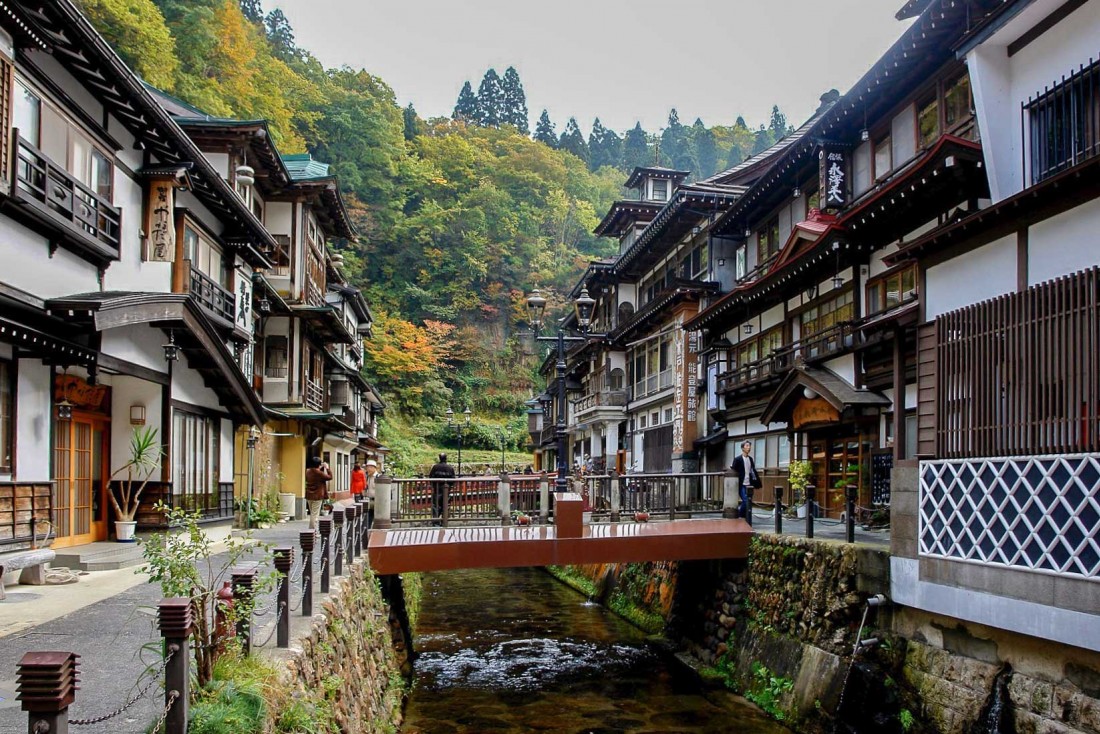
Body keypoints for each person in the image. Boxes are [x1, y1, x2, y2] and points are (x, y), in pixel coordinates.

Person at [731, 440, 761, 520]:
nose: (749, 447)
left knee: (749, 500)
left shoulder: (750, 459)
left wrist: (756, 482)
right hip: (741, 483)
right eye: (747, 446)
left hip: (749, 483)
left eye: (749, 446)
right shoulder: (737, 459)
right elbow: (733, 470)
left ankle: (746, 517)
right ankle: (740, 516)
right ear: (742, 448)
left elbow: (752, 471)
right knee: (745, 500)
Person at [305, 456, 332, 530]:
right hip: (317, 496)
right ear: (318, 464)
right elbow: (329, 477)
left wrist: (322, 468)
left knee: (312, 514)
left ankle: (312, 530)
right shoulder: (319, 473)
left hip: (309, 495)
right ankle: (312, 531)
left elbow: (317, 473)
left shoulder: (308, 471)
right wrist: (327, 468)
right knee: (315, 515)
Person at [428, 453, 455, 526]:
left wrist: (433, 485)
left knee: (436, 505)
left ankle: (436, 522)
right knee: (446, 505)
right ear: (446, 458)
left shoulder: (435, 467)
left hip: (437, 489)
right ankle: (444, 521)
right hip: (447, 490)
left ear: (439, 458)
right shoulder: (450, 468)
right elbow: (453, 480)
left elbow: (430, 477)